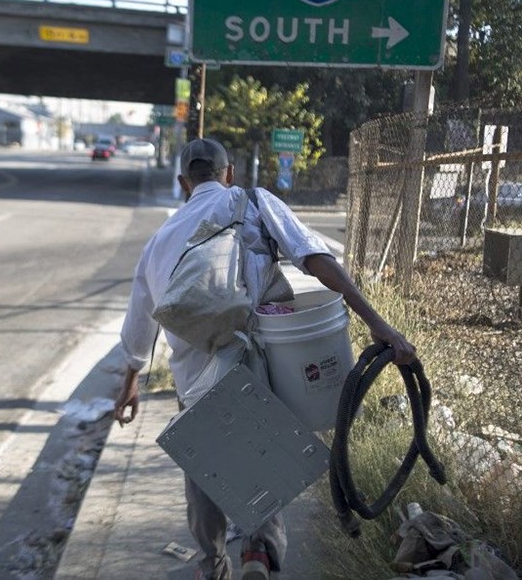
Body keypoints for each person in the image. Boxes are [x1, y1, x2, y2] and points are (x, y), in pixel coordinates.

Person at [113, 137, 417, 580]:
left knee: (205, 470)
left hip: (192, 379)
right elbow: (314, 257)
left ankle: (211, 564)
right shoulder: (251, 202)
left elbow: (139, 327)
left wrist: (130, 382)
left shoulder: (159, 241)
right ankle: (258, 553)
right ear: (229, 173)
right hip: (250, 364)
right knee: (261, 464)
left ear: (183, 183)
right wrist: (376, 322)